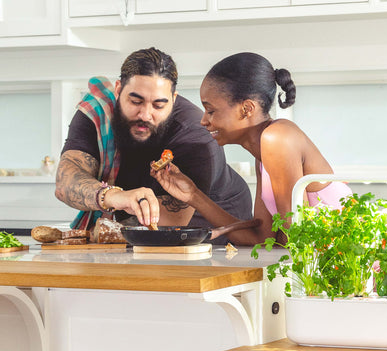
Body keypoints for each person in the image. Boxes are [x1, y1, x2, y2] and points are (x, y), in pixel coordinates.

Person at [55, 47, 252, 243]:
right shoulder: (97, 112)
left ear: (173, 101)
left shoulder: (195, 137)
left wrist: (120, 205)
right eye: (135, 101)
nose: (145, 115)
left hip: (216, 233)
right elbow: (65, 184)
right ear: (118, 91)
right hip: (133, 226)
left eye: (158, 105)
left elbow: (172, 218)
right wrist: (113, 196)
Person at [152, 52, 352, 245]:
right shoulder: (263, 152)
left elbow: (298, 239)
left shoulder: (277, 139)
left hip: (350, 267)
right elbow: (261, 238)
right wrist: (193, 195)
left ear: (247, 109)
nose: (204, 121)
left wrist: (226, 230)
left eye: (211, 110)